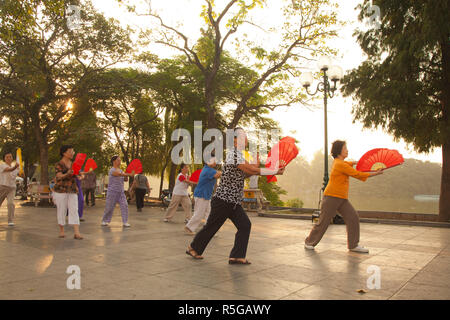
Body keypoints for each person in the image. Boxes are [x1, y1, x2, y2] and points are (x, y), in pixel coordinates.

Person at [186, 128, 285, 264]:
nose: (245, 140)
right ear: (234, 140)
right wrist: (273, 171)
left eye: (245, 137)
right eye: (242, 137)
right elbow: (250, 169)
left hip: (233, 201)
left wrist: (258, 169)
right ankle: (193, 248)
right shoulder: (233, 154)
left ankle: (236, 256)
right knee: (212, 227)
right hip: (223, 200)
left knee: (245, 225)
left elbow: (245, 174)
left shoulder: (239, 155)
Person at [304, 140, 383, 253]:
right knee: (323, 221)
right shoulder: (339, 164)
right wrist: (376, 173)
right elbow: (358, 174)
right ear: (339, 151)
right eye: (345, 148)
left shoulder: (341, 162)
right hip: (331, 197)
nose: (347, 150)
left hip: (341, 198)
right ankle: (309, 242)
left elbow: (349, 163)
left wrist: (359, 162)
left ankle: (353, 245)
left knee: (353, 218)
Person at [184, 157, 222, 235]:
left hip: (205, 195)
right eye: (213, 161)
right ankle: (189, 227)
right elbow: (218, 174)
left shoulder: (208, 169)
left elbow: (218, 173)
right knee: (199, 213)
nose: (215, 162)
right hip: (202, 195)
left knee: (209, 213)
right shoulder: (208, 170)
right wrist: (228, 170)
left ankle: (210, 230)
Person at [53, 145, 83, 239]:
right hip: (61, 190)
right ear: (64, 153)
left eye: (73, 151)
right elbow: (59, 176)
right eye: (70, 151)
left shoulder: (74, 164)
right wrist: (67, 173)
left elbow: (79, 175)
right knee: (62, 209)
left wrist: (81, 176)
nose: (72, 153)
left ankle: (76, 232)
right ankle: (62, 230)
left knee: (74, 209)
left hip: (72, 189)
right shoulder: (59, 164)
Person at [101, 156, 133, 227]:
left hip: (121, 192)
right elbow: (118, 174)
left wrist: (126, 176)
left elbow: (125, 179)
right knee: (109, 207)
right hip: (112, 192)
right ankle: (104, 220)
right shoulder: (112, 170)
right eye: (118, 160)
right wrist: (128, 174)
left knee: (125, 205)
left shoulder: (121, 170)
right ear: (114, 161)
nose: (120, 162)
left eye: (120, 160)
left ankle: (125, 222)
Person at [0, 151, 21, 226]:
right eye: (7, 157)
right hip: (2, 187)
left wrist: (21, 171)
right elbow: (9, 170)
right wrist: (15, 167)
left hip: (12, 188)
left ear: (12, 158)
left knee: (10, 203)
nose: (9, 158)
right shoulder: (2, 165)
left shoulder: (15, 167)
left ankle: (10, 220)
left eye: (10, 157)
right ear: (4, 159)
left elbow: (22, 175)